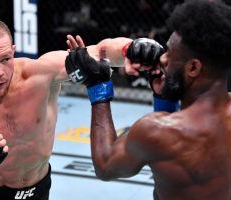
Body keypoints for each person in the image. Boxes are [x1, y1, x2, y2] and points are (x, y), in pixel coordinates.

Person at [65, 0, 231, 199]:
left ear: (193, 68)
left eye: (170, 54)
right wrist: (165, 98)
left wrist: (97, 85)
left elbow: (105, 164)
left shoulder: (156, 131)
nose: (162, 59)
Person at [0, 17, 139, 200]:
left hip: (39, 188)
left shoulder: (39, 74)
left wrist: (132, 49)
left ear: (13, 52)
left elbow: (100, 50)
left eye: (5, 59)